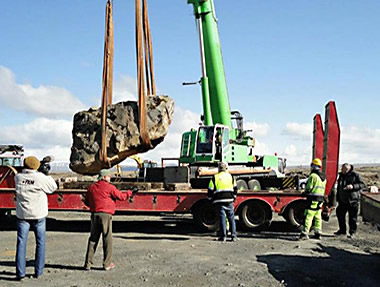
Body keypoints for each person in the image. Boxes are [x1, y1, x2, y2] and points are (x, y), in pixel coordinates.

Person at [84, 169, 138, 271]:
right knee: (107, 239)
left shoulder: (92, 187)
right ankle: (107, 264)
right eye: (108, 176)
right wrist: (130, 192)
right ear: (104, 177)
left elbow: (86, 201)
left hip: (95, 214)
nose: (110, 177)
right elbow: (121, 197)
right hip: (106, 215)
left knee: (93, 239)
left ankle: (88, 264)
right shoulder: (109, 187)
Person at [15, 156, 58, 280]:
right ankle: (38, 272)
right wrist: (46, 174)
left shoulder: (18, 177)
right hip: (38, 215)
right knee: (40, 243)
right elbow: (53, 188)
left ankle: (20, 273)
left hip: (23, 215)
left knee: (21, 243)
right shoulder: (40, 178)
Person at [208, 162, 238, 242]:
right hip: (229, 200)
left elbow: (210, 189)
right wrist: (234, 198)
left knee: (222, 219)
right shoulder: (231, 176)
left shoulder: (215, 177)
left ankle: (223, 236)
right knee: (231, 218)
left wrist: (210, 199)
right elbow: (235, 188)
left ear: (218, 168)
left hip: (219, 200)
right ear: (226, 168)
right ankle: (233, 236)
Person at [334, 163, 366, 238]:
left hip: (352, 200)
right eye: (342, 169)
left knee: (352, 218)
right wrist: (338, 198)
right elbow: (339, 187)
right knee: (340, 215)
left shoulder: (355, 175)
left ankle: (352, 232)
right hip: (342, 200)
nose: (342, 170)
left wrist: (353, 186)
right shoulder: (341, 176)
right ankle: (342, 230)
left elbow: (362, 185)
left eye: (344, 169)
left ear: (348, 169)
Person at [299, 158, 326, 240]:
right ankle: (318, 233)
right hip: (320, 199)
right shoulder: (324, 177)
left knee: (308, 216)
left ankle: (304, 233)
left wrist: (304, 192)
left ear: (314, 166)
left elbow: (309, 187)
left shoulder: (313, 176)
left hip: (312, 199)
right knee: (318, 217)